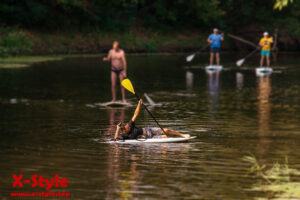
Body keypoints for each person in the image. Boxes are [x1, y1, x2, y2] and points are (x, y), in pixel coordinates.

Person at [112, 99, 190, 140]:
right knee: (165, 137)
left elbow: (135, 114)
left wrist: (139, 104)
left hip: (149, 130)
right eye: (126, 126)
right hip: (149, 138)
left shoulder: (130, 124)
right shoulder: (125, 136)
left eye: (127, 125)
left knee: (166, 131)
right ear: (124, 130)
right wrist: (117, 129)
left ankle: (182, 135)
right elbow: (115, 139)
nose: (128, 125)